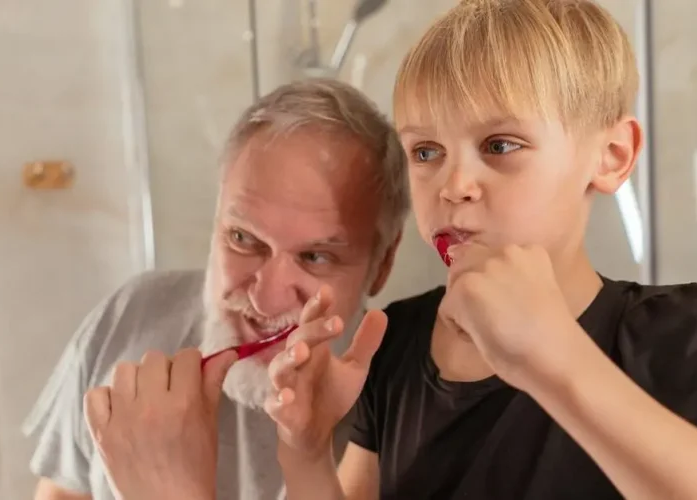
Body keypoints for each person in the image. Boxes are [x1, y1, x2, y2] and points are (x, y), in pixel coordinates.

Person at [263, 1, 697, 499]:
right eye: (426, 152)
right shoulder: (394, 342)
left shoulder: (678, 338)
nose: (454, 185)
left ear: (612, 156)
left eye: (499, 145)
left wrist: (555, 358)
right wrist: (306, 451)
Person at [22, 78, 410, 500]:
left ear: (382, 265)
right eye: (243, 238)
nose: (266, 299)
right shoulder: (133, 312)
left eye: (315, 257)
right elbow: (59, 492)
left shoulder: (406, 416)